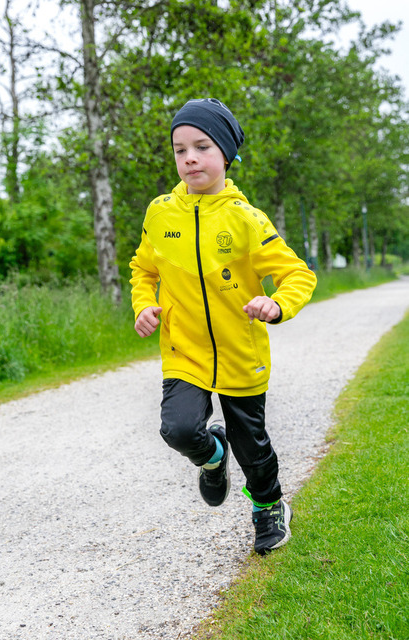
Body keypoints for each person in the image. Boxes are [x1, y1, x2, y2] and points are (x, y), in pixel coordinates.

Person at [129, 98, 317, 555]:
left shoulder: (247, 219)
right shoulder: (160, 213)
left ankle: (269, 506)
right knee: (178, 430)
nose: (189, 158)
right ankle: (213, 457)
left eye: (202, 147)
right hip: (185, 352)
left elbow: (298, 274)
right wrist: (144, 305)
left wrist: (276, 304)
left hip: (240, 353)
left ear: (226, 154)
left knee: (252, 447)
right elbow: (143, 269)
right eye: (180, 150)